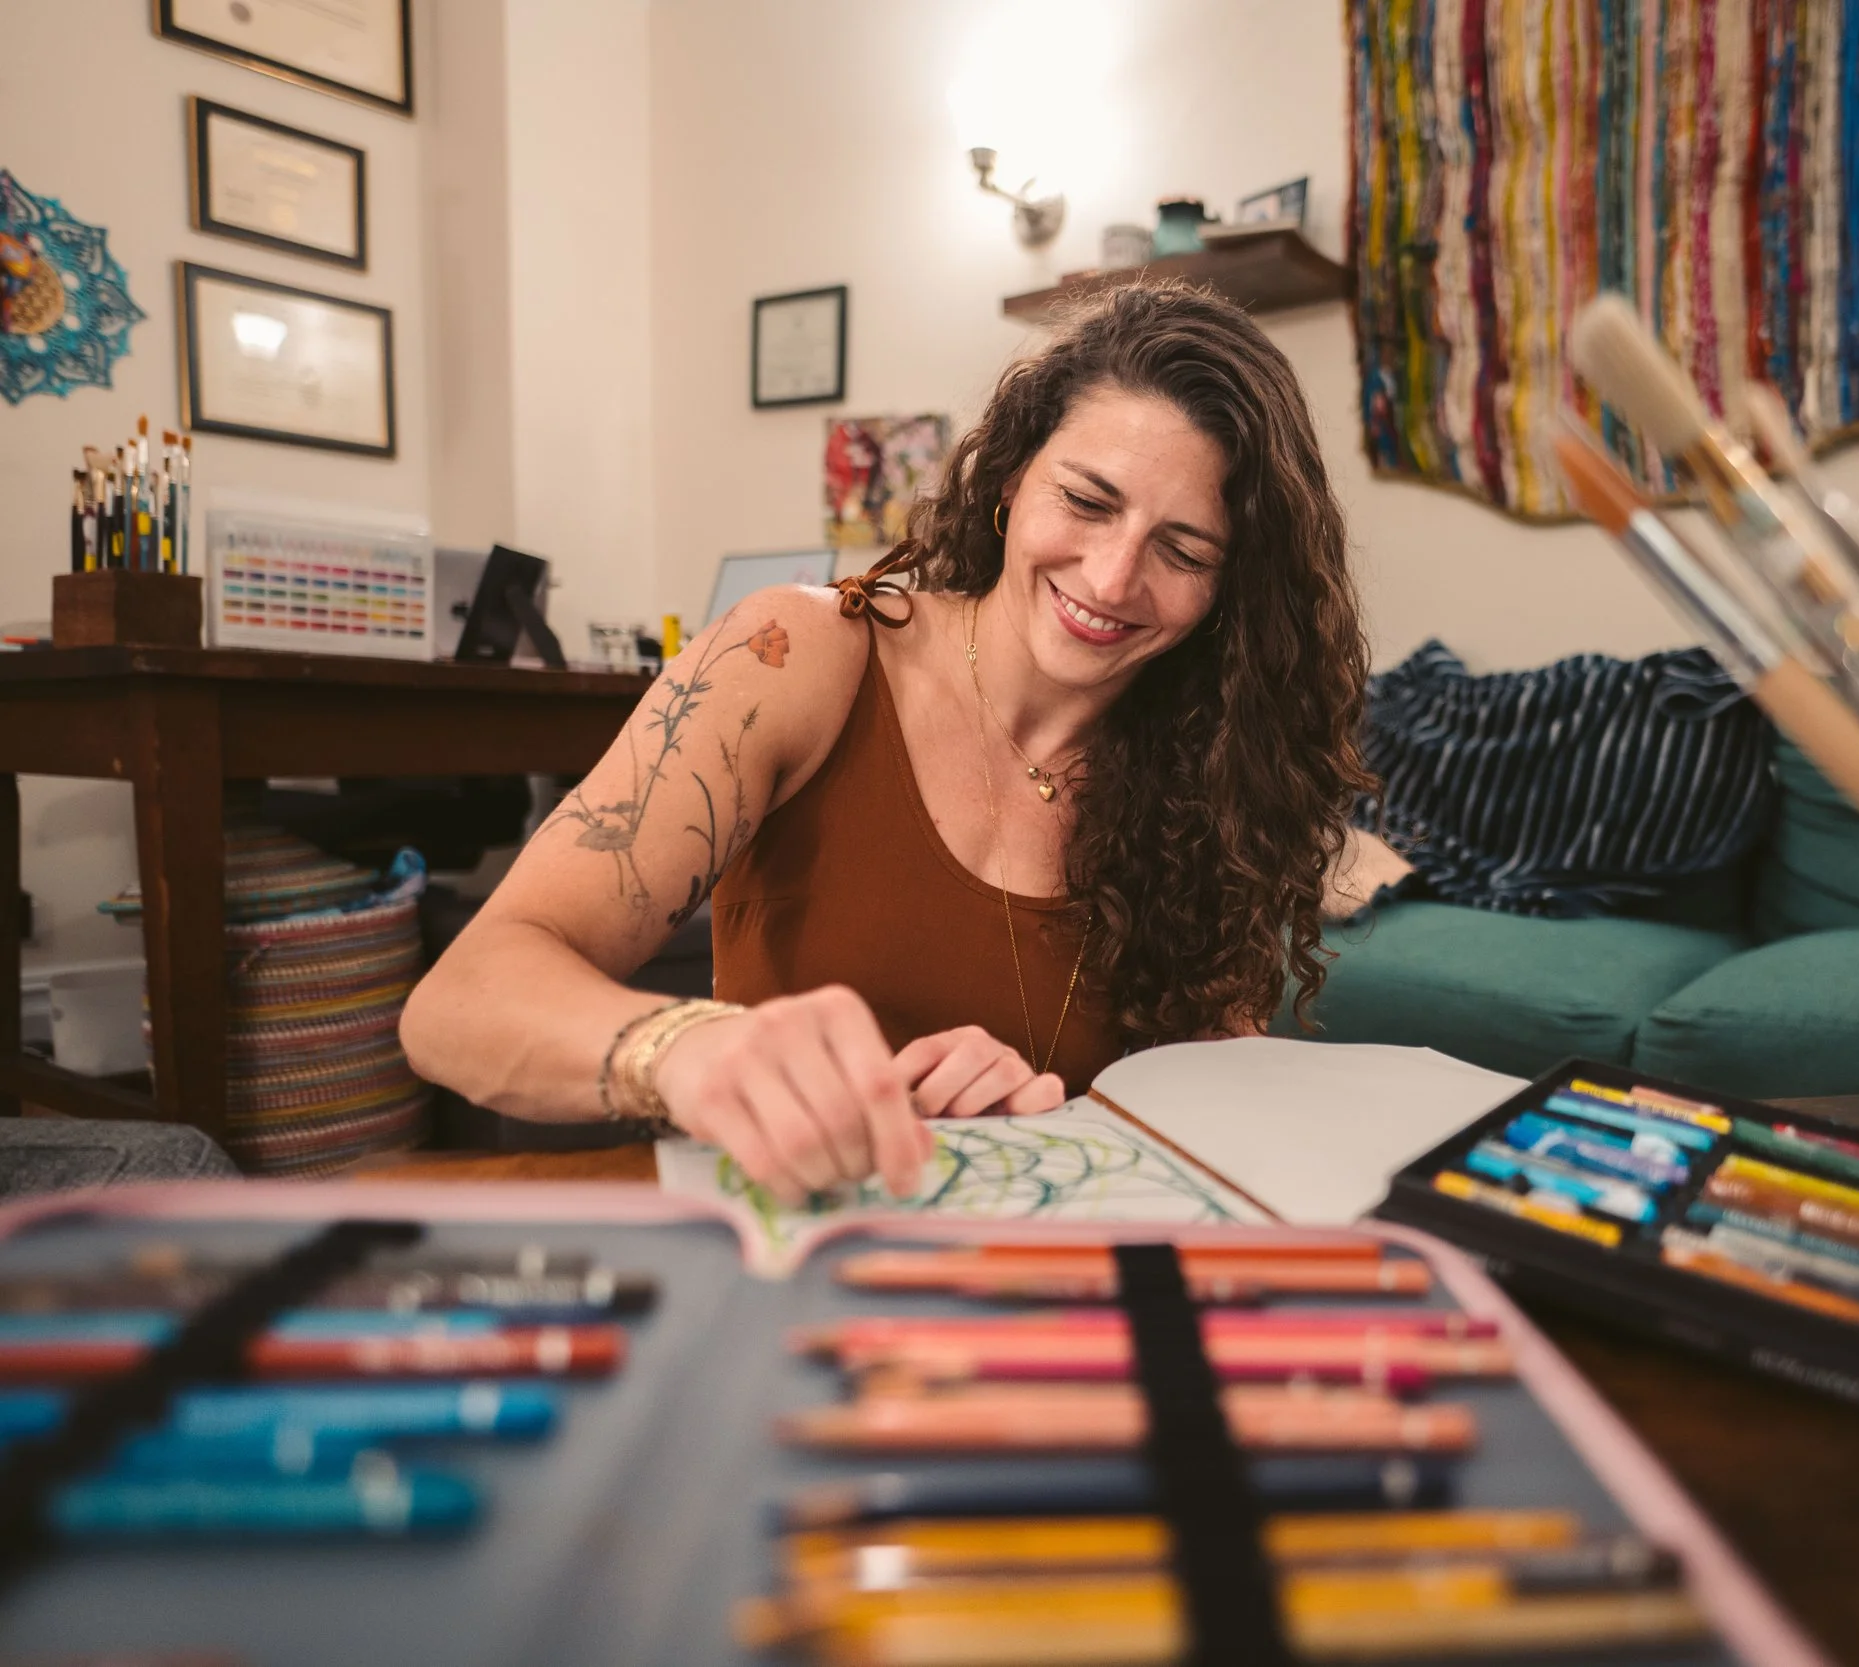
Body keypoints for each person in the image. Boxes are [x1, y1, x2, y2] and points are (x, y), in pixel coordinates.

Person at [401, 284, 1371, 1202]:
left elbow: (1200, 1121)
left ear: (1226, 598)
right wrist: (687, 1047)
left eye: (1183, 550)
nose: (1113, 577)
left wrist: (1051, 1118)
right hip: (776, 1240)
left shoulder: (1223, 778)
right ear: (1012, 479)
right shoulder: (794, 654)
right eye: (1085, 500)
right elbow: (460, 1003)